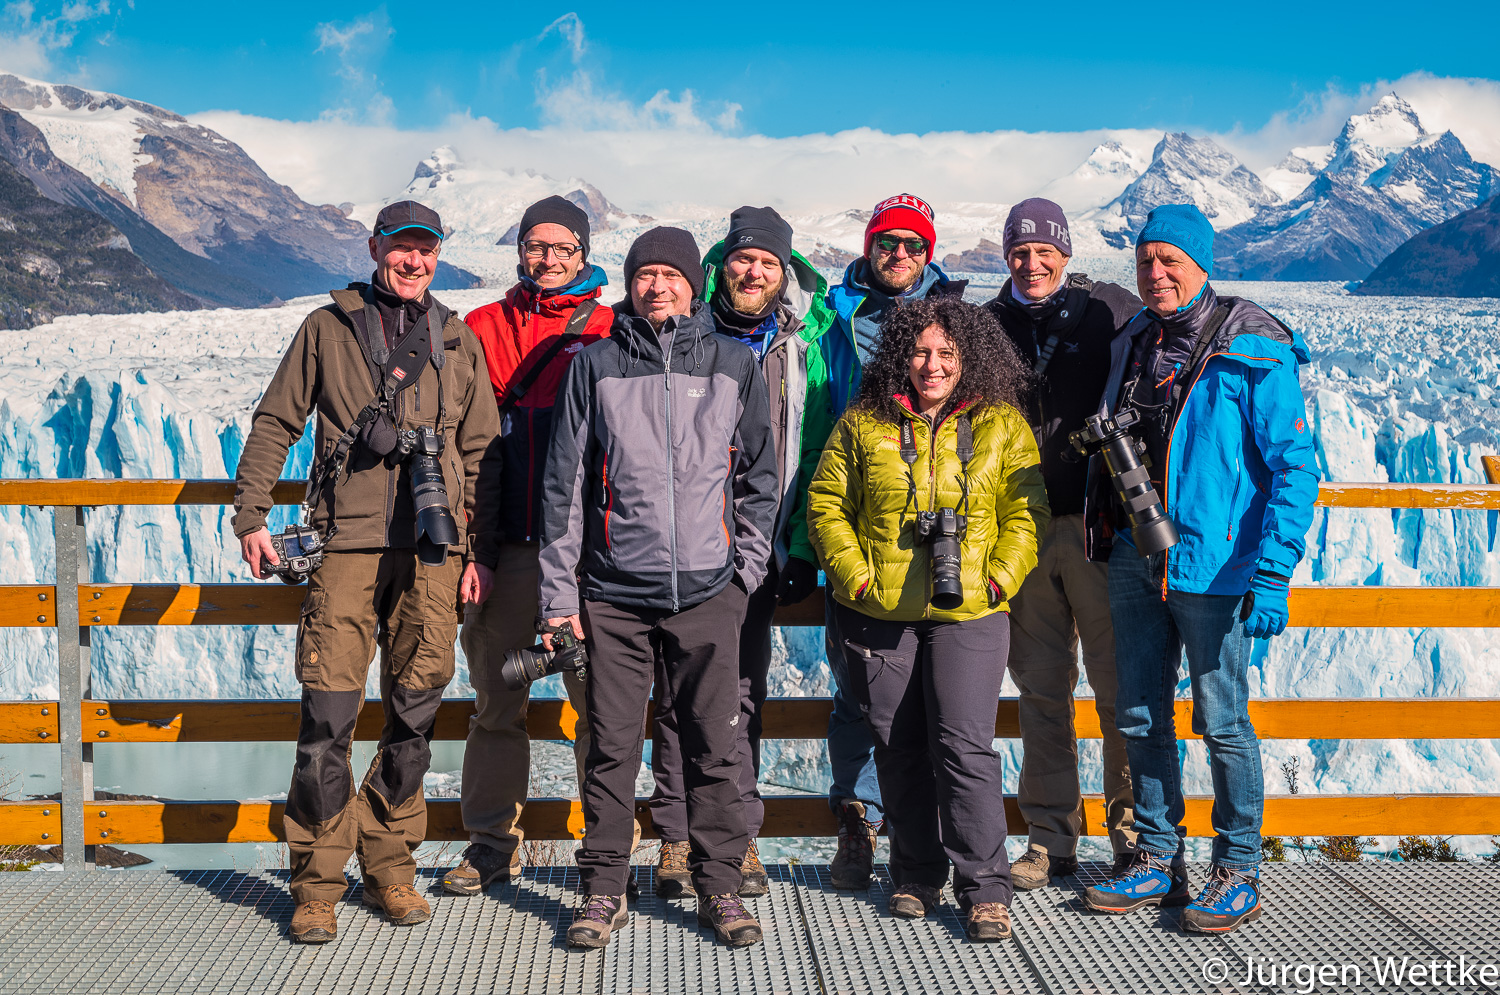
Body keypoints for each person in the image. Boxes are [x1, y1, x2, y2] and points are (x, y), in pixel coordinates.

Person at [232, 200, 502, 943]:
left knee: (414, 716)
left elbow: (479, 453)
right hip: (345, 547)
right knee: (327, 717)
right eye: (400, 247)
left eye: (426, 249)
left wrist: (474, 550)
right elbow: (276, 421)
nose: (412, 261)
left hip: (432, 552)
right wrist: (251, 515)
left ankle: (391, 866)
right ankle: (317, 882)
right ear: (376, 246)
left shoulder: (456, 336)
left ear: (438, 256)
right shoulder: (328, 328)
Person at [537, 227, 779, 949]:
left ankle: (720, 888)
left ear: (692, 285)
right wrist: (559, 596)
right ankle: (604, 886)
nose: (658, 287)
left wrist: (744, 575)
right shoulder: (598, 365)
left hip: (709, 591)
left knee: (716, 746)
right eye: (645, 275)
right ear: (631, 284)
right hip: (613, 595)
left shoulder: (737, 365)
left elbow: (761, 483)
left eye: (671, 274)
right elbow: (565, 487)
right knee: (611, 745)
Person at [1080, 204, 1318, 933]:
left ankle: (1238, 865)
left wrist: (1272, 570)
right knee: (1142, 712)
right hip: (1135, 557)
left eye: (1170, 259)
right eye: (1146, 259)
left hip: (1216, 568)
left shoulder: (1254, 347)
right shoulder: (1133, 343)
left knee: (1223, 721)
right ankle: (1157, 853)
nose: (1155, 272)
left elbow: (1296, 467)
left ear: (1201, 263)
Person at [807, 296, 1048, 941]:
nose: (932, 364)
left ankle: (984, 886)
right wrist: (855, 574)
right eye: (919, 351)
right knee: (898, 744)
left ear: (969, 357)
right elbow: (827, 504)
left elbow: (1028, 513)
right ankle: (915, 873)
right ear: (898, 356)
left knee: (965, 746)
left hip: (970, 610)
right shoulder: (865, 422)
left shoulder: (1001, 423)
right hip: (878, 609)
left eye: (946, 352)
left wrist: (997, 576)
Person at [646, 206, 835, 900]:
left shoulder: (800, 345)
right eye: (743, 258)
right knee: (673, 694)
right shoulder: (682, 333)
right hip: (680, 546)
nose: (753, 271)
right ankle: (673, 835)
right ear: (722, 264)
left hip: (757, 547)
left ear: (784, 272)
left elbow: (812, 446)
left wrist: (794, 544)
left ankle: (733, 836)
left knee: (740, 695)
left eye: (768, 262)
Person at [439, 195, 614, 897]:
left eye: (561, 248)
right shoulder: (480, 327)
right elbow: (453, 441)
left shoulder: (609, 328)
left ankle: (606, 849)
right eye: (535, 246)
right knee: (495, 701)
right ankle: (489, 845)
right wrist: (471, 547)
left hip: (587, 560)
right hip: (507, 548)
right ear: (519, 252)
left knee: (602, 708)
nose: (547, 259)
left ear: (583, 254)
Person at [983, 198, 1142, 888]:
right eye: (1020, 250)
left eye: (1045, 250)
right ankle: (1051, 837)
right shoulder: (988, 324)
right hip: (1020, 525)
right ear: (1006, 255)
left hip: (1095, 523)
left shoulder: (1111, 310)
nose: (1032, 261)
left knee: (1118, 685)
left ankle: (1135, 833)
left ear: (1066, 254)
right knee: (1042, 688)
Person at [815, 193, 969, 889]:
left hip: (946, 535)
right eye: (887, 242)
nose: (899, 255)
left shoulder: (960, 318)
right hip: (861, 525)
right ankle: (857, 819)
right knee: (857, 690)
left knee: (942, 698)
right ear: (869, 246)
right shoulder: (834, 320)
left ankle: (924, 843)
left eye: (912, 244)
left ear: (927, 251)